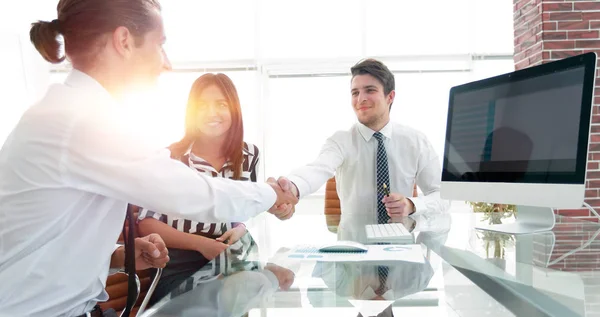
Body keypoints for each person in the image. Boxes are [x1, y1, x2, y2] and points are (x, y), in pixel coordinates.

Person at [0, 1, 296, 316]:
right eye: (160, 45)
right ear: (124, 41)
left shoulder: (71, 110)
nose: (165, 62)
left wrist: (115, 256)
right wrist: (272, 194)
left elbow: (46, 234)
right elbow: (190, 193)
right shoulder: (80, 119)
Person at [137, 73, 282, 303]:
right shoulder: (171, 157)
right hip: (179, 264)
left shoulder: (249, 155)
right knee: (220, 298)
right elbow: (146, 222)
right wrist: (202, 244)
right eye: (202, 105)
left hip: (231, 258)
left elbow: (246, 207)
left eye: (221, 104)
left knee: (262, 288)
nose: (211, 112)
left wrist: (241, 227)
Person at [278, 58, 450, 221]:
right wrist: (292, 188)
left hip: (402, 244)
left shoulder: (416, 141)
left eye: (370, 90)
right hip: (354, 246)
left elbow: (443, 196)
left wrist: (412, 205)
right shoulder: (340, 141)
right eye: (355, 92)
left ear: (390, 97)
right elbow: (318, 169)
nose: (360, 99)